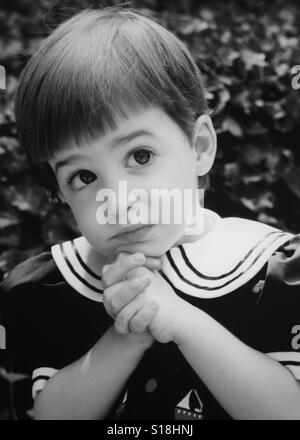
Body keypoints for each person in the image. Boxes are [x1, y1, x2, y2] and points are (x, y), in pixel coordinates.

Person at [1, 7, 300, 420]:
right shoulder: (45, 293)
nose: (119, 200)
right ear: (60, 193)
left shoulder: (271, 273)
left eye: (140, 155)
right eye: (84, 176)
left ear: (199, 148)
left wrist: (182, 321)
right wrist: (124, 340)